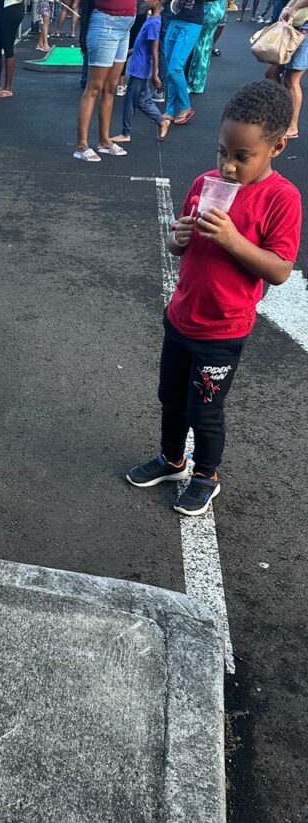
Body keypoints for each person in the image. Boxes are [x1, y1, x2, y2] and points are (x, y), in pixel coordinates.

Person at [127, 81, 301, 516]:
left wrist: (233, 239)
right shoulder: (205, 182)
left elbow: (279, 269)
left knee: (204, 410)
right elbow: (176, 245)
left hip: (223, 330)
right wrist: (178, 237)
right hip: (182, 316)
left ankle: (206, 475)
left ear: (276, 147)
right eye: (223, 152)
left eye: (242, 156)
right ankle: (172, 459)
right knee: (170, 397)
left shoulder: (282, 198)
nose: (228, 166)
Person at [74, 0, 136, 159]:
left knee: (110, 88)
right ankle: (82, 145)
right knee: (94, 88)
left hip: (125, 24)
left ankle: (104, 141)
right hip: (106, 22)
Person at [112, 0, 170, 140]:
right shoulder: (152, 20)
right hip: (140, 65)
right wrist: (128, 53)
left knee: (130, 100)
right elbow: (142, 45)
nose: (145, 0)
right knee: (143, 100)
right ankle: (162, 122)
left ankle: (126, 133)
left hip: (141, 68)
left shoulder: (154, 23)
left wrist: (155, 74)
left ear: (157, 2)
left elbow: (154, 50)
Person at [266, 0, 308, 138]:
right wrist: (288, 7)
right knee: (271, 73)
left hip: (304, 27)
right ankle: (281, 112)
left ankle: (292, 126)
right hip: (293, 25)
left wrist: (293, 8)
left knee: (292, 80)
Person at [162, 0, 204, 125]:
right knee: (170, 68)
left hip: (191, 22)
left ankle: (185, 107)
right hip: (174, 20)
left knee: (175, 69)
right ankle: (169, 110)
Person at [187, 0, 226, 94]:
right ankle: (198, 83)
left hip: (209, 8)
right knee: (205, 44)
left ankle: (193, 82)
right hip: (219, 6)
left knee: (200, 45)